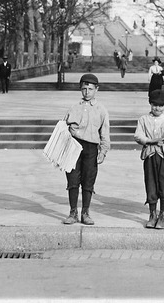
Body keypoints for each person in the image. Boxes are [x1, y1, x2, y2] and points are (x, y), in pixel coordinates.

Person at [62, 73, 111, 226]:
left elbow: (105, 133)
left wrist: (103, 152)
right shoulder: (73, 108)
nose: (87, 92)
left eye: (90, 89)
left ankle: (85, 212)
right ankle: (72, 212)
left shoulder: (101, 110)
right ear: (80, 89)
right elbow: (63, 128)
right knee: (72, 180)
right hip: (73, 147)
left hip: (91, 149)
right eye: (84, 89)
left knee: (88, 181)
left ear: (97, 89)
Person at [134, 89, 164, 229]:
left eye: (161, 105)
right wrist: (152, 141)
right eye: (155, 104)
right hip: (150, 156)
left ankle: (162, 215)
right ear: (150, 103)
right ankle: (152, 214)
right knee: (151, 184)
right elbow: (138, 136)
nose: (157, 108)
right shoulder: (143, 119)